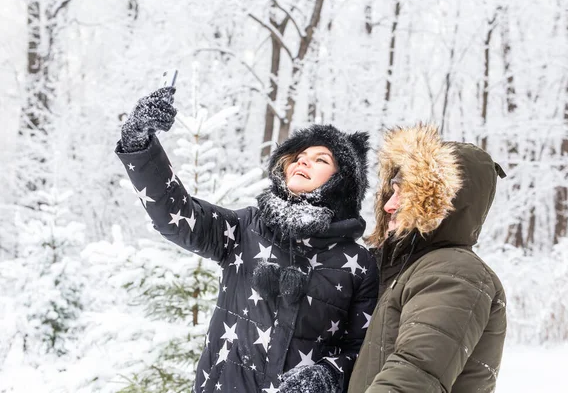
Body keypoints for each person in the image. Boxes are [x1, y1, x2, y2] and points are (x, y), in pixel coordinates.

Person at [115, 87, 378, 393]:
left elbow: (365, 349)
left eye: (320, 159)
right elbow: (176, 215)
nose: (302, 162)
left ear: (341, 181)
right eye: (299, 156)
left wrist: (330, 375)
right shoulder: (246, 227)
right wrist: (138, 142)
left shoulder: (359, 263)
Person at [349, 124, 507, 393]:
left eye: (403, 193)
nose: (388, 205)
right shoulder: (417, 271)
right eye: (391, 191)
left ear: (438, 202)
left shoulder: (454, 272)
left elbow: (413, 374)